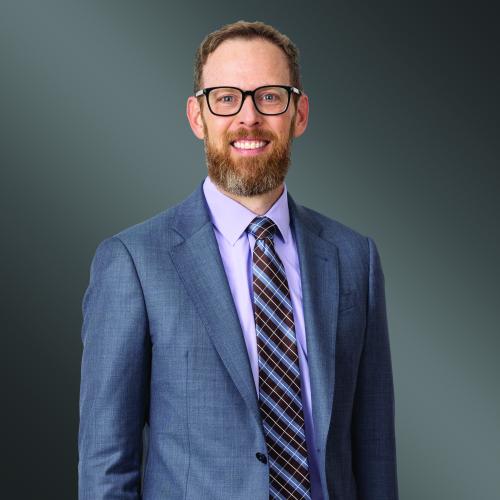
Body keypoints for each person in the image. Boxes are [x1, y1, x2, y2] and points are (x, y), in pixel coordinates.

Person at [78, 20, 398, 500]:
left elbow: (374, 451)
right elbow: (106, 463)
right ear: (197, 117)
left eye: (269, 96)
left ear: (299, 114)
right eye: (226, 98)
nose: (249, 117)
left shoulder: (355, 259)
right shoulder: (134, 263)